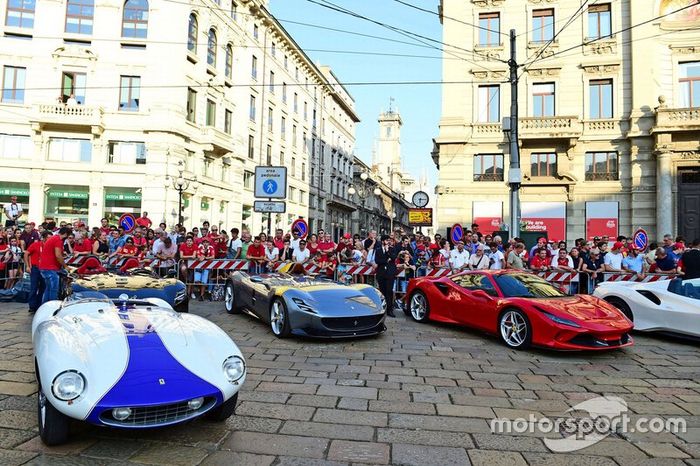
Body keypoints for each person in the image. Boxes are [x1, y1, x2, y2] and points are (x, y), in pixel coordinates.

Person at [39, 227, 71, 304]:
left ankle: (44, 306)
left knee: (48, 289)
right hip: (50, 268)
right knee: (53, 289)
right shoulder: (58, 240)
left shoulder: (54, 238)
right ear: (66, 234)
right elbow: (58, 255)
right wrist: (65, 266)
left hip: (45, 267)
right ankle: (52, 307)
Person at [26, 231, 50, 312]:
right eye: (48, 238)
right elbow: (26, 253)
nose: (50, 240)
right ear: (43, 238)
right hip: (35, 268)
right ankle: (32, 306)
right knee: (34, 287)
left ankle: (39, 305)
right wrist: (28, 266)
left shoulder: (50, 247)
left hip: (45, 269)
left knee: (43, 287)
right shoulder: (36, 245)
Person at [375, 234, 397, 317]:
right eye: (387, 240)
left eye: (389, 240)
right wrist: (386, 260)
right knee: (382, 291)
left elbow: (393, 258)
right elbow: (377, 261)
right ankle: (382, 308)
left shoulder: (392, 249)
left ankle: (390, 310)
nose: (388, 242)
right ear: (383, 241)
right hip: (381, 273)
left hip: (390, 273)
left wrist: (388, 252)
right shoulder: (378, 250)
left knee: (389, 291)